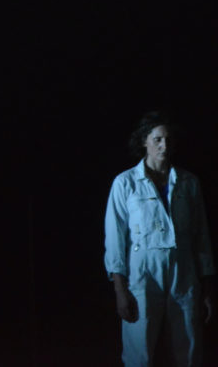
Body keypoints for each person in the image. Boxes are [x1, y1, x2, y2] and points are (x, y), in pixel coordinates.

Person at [104, 111, 215, 366]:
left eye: (168, 140)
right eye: (157, 139)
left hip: (183, 272)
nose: (164, 145)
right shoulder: (125, 183)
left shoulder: (188, 182)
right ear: (144, 141)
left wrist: (208, 286)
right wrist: (120, 290)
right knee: (138, 354)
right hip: (142, 274)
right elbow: (115, 240)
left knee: (189, 351)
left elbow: (201, 237)